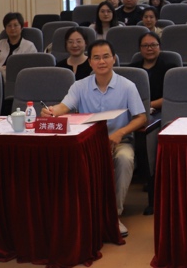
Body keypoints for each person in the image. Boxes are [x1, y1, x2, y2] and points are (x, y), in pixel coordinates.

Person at [43, 40, 146, 238]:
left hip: (119, 141)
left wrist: (120, 133)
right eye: (96, 58)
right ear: (89, 62)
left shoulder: (127, 86)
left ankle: (113, 215)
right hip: (87, 143)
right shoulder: (80, 86)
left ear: (114, 59)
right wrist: (51, 112)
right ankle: (81, 214)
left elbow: (141, 117)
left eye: (106, 56)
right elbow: (63, 107)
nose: (101, 61)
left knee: (125, 159)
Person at [129, 32, 180, 116]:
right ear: (140, 48)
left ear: (159, 47)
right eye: (145, 45)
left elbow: (173, 96)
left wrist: (147, 105)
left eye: (153, 45)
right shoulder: (132, 70)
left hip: (161, 112)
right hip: (134, 112)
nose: (149, 49)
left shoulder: (170, 69)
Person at [0, 12, 37, 77]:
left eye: (15, 25)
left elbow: (32, 68)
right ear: (5, 28)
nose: (12, 28)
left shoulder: (29, 46)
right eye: (9, 26)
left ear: (21, 27)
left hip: (19, 78)